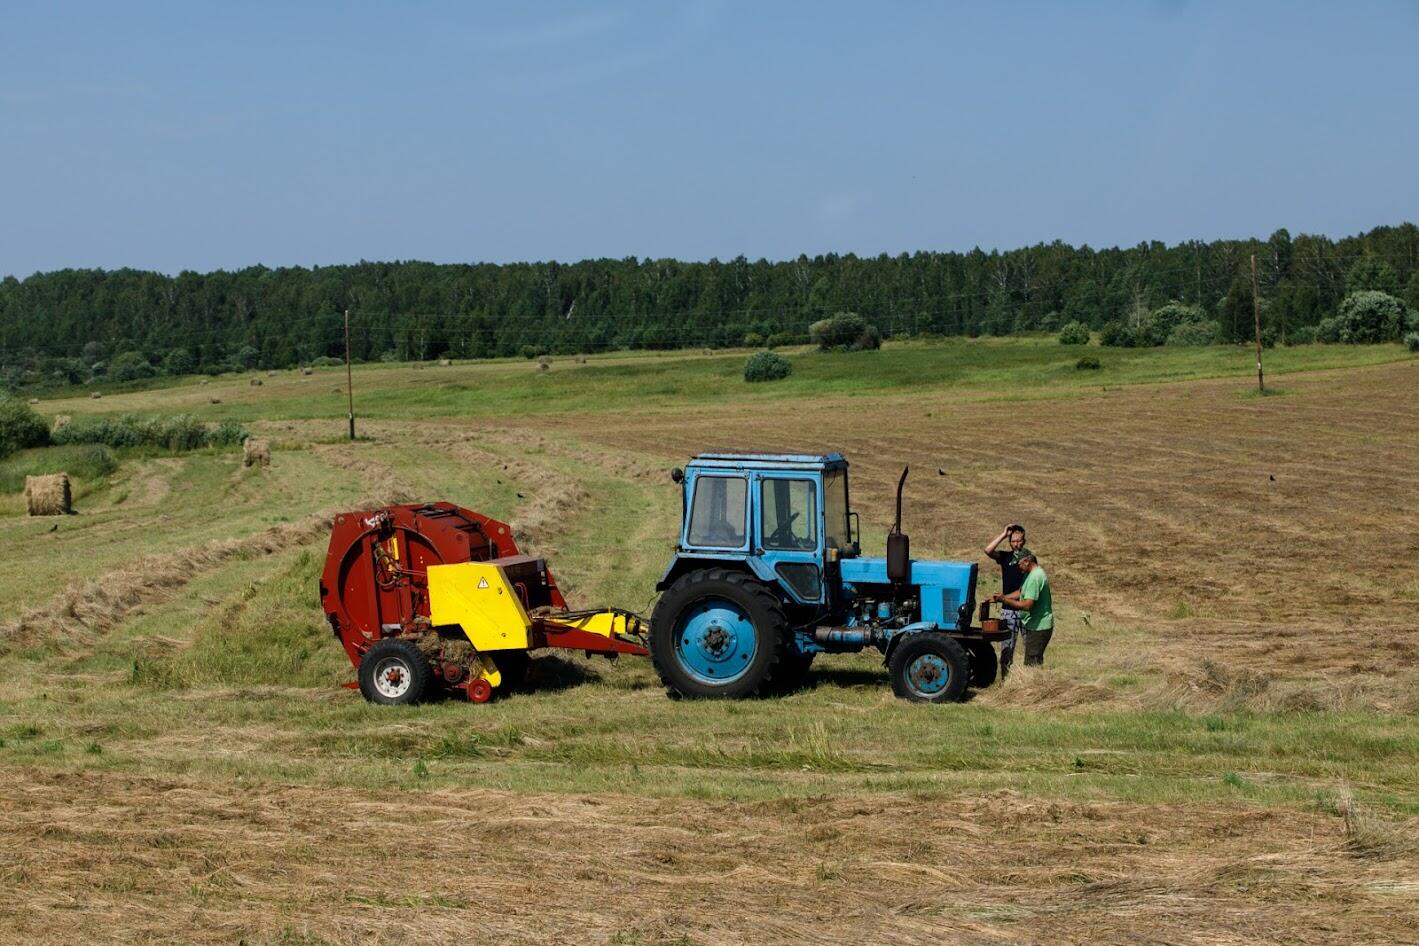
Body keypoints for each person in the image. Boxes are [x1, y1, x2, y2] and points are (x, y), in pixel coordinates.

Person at [987, 552, 1054, 666]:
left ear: (1027, 562)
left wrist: (1005, 600)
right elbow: (1021, 592)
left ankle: (1034, 683)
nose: (1017, 568)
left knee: (1032, 663)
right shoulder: (1030, 574)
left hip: (1039, 627)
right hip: (1035, 625)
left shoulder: (1035, 577)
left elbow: (1027, 605)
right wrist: (1000, 598)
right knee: (1033, 660)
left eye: (1018, 565)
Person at [983, 523, 1031, 667]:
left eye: (1019, 540)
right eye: (1013, 541)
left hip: (1025, 609)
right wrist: (1004, 535)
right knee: (1007, 649)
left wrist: (1003, 597)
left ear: (1024, 541)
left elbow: (1026, 590)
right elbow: (988, 550)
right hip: (1008, 611)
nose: (1016, 544)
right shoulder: (1005, 557)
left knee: (1030, 648)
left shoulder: (1029, 560)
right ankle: (1005, 681)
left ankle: (1031, 680)